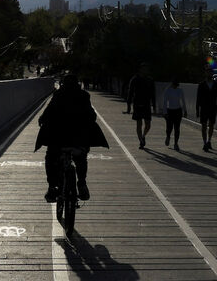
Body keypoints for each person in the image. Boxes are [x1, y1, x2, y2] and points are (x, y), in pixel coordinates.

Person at [35, 74, 109, 203]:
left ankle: (52, 187)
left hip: (59, 137)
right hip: (79, 137)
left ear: (63, 84)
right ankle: (82, 184)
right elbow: (91, 115)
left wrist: (42, 119)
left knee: (50, 157)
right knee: (81, 158)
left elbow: (49, 111)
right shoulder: (84, 95)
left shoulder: (59, 94)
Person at [126, 63, 156, 149]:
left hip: (147, 104)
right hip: (137, 104)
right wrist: (128, 105)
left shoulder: (150, 80)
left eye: (146, 69)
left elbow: (153, 94)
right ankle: (141, 141)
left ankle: (143, 136)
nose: (145, 70)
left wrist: (154, 105)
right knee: (139, 124)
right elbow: (130, 92)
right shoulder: (135, 79)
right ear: (140, 69)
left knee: (148, 125)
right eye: (144, 68)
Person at [195, 66, 217, 152]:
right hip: (204, 108)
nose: (209, 74)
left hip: (213, 107)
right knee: (204, 126)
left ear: (212, 74)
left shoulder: (216, 84)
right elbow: (198, 98)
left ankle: (209, 141)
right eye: (208, 72)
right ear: (205, 73)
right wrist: (197, 109)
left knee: (211, 125)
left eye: (210, 72)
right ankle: (204, 143)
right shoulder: (201, 85)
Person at [161, 78, 187, 151]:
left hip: (178, 110)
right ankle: (168, 136)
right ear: (172, 84)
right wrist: (164, 112)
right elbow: (165, 102)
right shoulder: (168, 90)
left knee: (177, 128)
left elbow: (183, 100)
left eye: (177, 85)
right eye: (174, 84)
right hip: (170, 111)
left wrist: (185, 110)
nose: (175, 86)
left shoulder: (180, 90)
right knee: (169, 127)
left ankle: (176, 143)